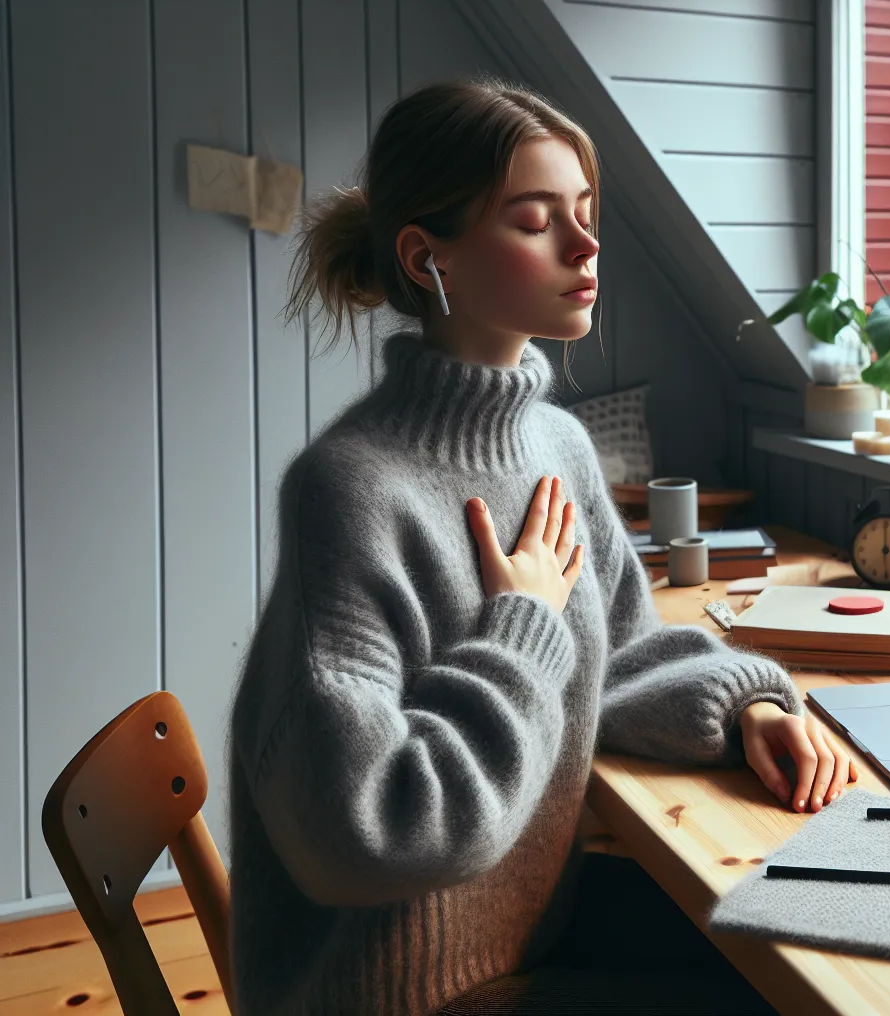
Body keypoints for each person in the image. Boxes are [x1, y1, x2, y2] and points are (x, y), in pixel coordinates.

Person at [227, 76, 856, 1015]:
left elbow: (624, 654)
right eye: (535, 220)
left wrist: (743, 707)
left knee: (806, 946)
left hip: (521, 932)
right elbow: (357, 831)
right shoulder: (350, 489)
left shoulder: (553, 445)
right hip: (407, 993)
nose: (587, 244)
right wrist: (521, 627)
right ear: (426, 257)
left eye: (585, 213)